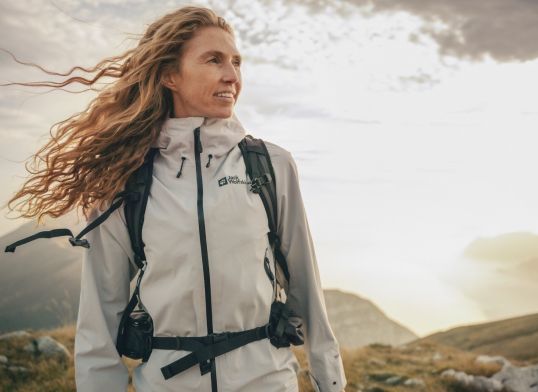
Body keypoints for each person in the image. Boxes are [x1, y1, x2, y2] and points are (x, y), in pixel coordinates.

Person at [4, 6, 346, 392]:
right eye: (214, 60)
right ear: (170, 75)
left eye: (236, 62)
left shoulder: (270, 164)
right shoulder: (126, 177)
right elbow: (99, 318)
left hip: (267, 380)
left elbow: (305, 285)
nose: (232, 76)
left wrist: (329, 382)